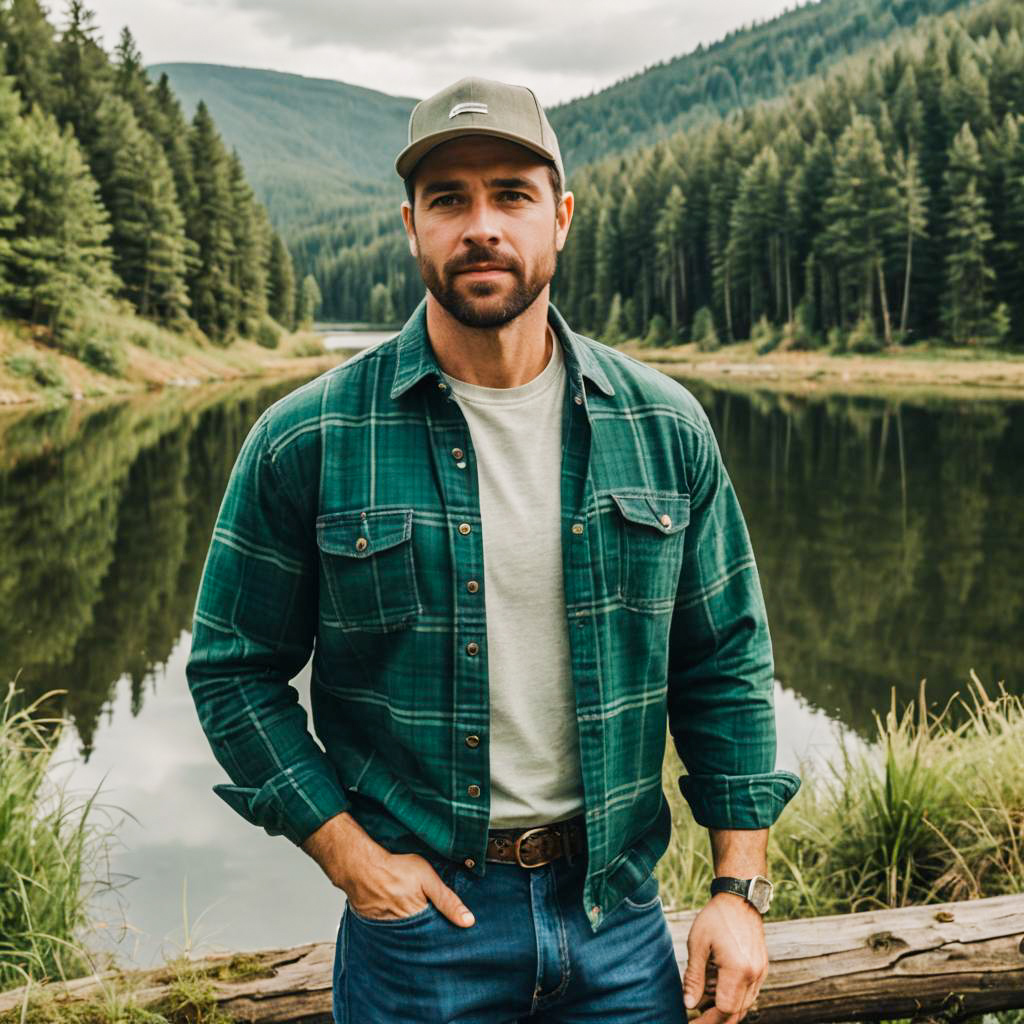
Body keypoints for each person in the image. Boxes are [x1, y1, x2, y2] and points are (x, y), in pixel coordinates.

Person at [185, 75, 801, 1024]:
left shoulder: (664, 428)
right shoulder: (307, 440)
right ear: (411, 225)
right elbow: (233, 672)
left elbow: (724, 664)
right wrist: (348, 854)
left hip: (619, 922)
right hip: (421, 934)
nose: (482, 226)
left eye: (511, 195)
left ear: (558, 217)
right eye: (449, 200)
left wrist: (738, 890)